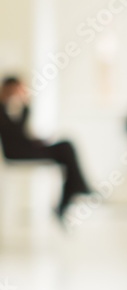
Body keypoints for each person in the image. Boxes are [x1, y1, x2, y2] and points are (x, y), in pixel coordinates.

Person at [0, 75, 92, 220]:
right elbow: (13, 135)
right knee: (65, 148)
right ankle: (76, 189)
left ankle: (73, 191)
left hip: (26, 148)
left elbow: (20, 132)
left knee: (65, 149)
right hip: (17, 153)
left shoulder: (12, 109)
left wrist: (25, 107)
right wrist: (24, 105)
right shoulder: (3, 109)